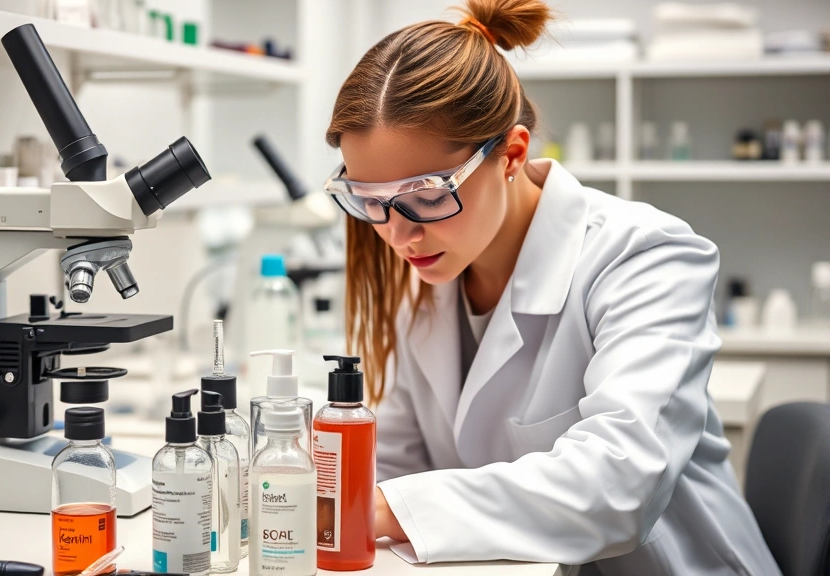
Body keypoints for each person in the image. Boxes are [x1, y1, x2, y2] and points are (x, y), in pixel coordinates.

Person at [322, 0, 781, 574]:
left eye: (429, 195)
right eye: (369, 201)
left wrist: (385, 507)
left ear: (512, 154)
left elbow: (620, 485)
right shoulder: (426, 270)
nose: (397, 233)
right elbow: (393, 464)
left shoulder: (645, 256)